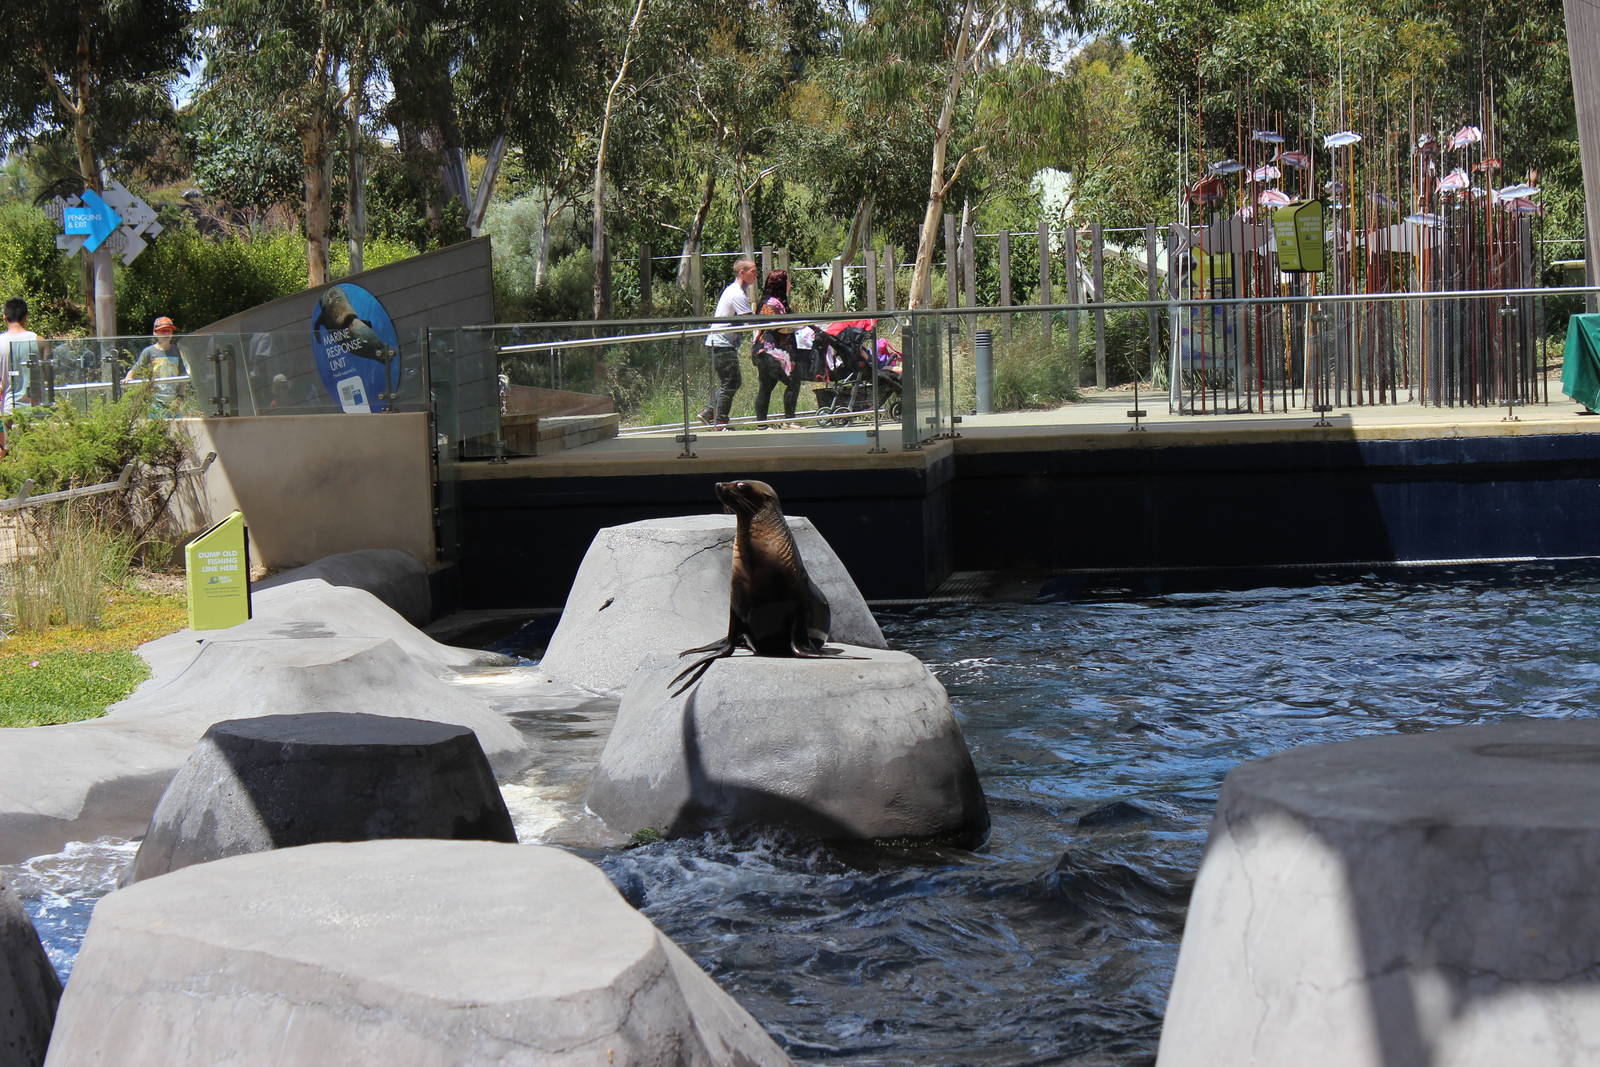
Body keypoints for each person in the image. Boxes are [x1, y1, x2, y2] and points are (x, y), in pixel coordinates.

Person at [700, 257, 756, 429]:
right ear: (742, 272)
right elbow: (751, 320)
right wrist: (772, 323)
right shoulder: (736, 293)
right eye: (753, 271)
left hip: (722, 342)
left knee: (732, 381)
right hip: (721, 343)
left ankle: (710, 412)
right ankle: (720, 421)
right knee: (731, 382)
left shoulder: (736, 291)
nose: (756, 274)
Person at [750, 269, 805, 429]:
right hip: (770, 352)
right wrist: (801, 327)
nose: (790, 285)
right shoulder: (771, 303)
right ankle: (789, 421)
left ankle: (762, 425)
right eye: (788, 281)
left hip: (768, 352)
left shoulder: (773, 301)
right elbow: (779, 328)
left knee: (766, 387)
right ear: (781, 284)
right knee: (793, 381)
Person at [122, 316, 189, 412]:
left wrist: (180, 396)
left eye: (169, 330)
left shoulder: (177, 351)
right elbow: (137, 368)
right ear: (155, 333)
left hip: (174, 400)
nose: (166, 334)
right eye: (163, 331)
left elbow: (183, 375)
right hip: (155, 401)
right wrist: (129, 377)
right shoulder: (149, 351)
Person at [2, 298, 41, 459]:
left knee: (12, 456)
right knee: (36, 454)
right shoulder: (39, 341)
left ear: (4, 317)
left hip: (9, 409)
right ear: (26, 317)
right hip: (35, 408)